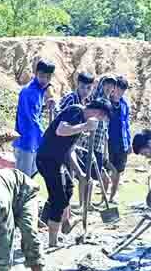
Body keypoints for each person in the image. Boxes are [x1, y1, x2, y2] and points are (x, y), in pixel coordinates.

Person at [36, 98, 111, 247]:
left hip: (57, 161)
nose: (100, 120)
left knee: (68, 188)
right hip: (47, 160)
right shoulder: (76, 111)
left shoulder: (81, 120)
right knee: (58, 199)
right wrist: (84, 126)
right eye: (101, 117)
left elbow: (70, 151)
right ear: (98, 112)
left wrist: (80, 173)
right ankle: (53, 240)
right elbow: (61, 130)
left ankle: (59, 221)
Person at [74, 75, 116, 207]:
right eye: (106, 84)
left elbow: (105, 131)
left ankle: (88, 203)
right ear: (102, 85)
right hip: (88, 144)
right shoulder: (96, 101)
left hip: (98, 146)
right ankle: (83, 204)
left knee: (92, 176)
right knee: (86, 176)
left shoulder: (108, 104)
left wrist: (105, 151)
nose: (109, 87)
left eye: (112, 85)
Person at [12, 59, 56, 177]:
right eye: (41, 76)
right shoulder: (29, 92)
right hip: (25, 142)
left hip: (33, 142)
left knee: (30, 177)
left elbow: (48, 87)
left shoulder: (40, 88)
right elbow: (32, 120)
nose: (44, 80)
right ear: (35, 74)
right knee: (22, 180)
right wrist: (47, 137)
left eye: (48, 77)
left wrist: (49, 100)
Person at [107, 76, 132, 203]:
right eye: (119, 88)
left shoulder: (124, 104)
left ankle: (113, 196)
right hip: (108, 142)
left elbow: (127, 124)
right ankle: (103, 197)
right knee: (107, 170)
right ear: (114, 87)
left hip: (122, 143)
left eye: (123, 90)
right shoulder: (106, 102)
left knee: (118, 171)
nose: (120, 92)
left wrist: (129, 142)